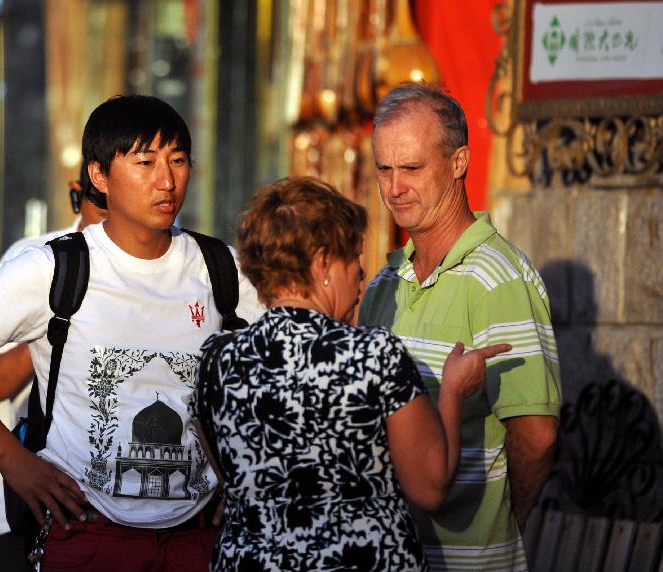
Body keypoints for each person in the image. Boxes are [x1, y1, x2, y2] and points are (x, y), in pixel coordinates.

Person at [0, 94, 264, 571]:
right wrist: (12, 461)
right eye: (145, 162)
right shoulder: (54, 268)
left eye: (178, 161)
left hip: (196, 540)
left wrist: (247, 476)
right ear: (99, 177)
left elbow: (279, 368)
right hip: (84, 534)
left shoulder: (222, 268)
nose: (166, 180)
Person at [193, 176, 511, 571]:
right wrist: (453, 390)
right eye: (354, 257)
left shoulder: (216, 359)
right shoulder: (373, 356)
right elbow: (430, 487)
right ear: (323, 263)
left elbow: (227, 471)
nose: (361, 274)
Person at [358, 83, 561, 571]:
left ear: (459, 162)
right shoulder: (385, 281)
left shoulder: (497, 277)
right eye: (384, 169)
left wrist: (503, 530)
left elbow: (536, 435)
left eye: (411, 168)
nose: (394, 187)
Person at [0, 164, 108, 572]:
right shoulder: (38, 258)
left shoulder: (181, 265)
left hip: (143, 520)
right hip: (36, 509)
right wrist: (47, 338)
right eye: (100, 202)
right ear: (76, 192)